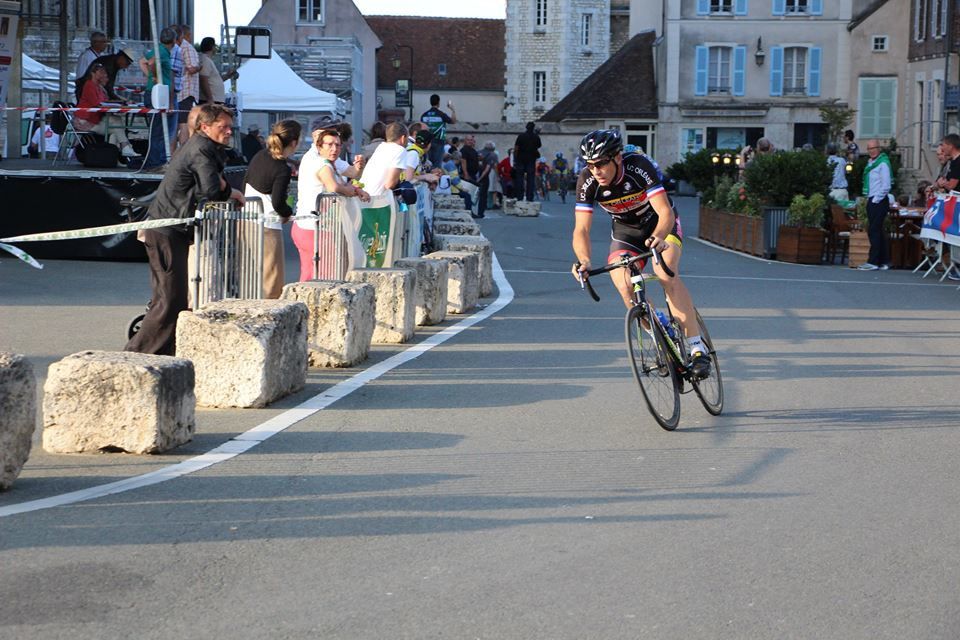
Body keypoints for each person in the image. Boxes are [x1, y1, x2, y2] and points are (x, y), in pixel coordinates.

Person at [571, 129, 711, 378]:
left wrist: (658, 238)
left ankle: (697, 348)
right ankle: (660, 330)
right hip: (626, 232)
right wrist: (583, 260)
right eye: (590, 165)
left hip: (660, 224)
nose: (596, 171)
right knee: (624, 285)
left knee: (665, 274)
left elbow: (664, 212)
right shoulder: (588, 181)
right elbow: (581, 228)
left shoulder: (638, 167)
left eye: (601, 163)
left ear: (616, 157)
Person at [125, 104, 244, 355]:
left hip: (175, 228)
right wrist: (231, 191)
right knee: (169, 300)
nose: (229, 131)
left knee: (174, 299)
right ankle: (135, 354)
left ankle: (163, 352)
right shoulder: (201, 149)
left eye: (231, 127)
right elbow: (210, 190)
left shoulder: (203, 147)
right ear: (205, 126)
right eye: (223, 127)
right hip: (167, 229)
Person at [293, 127, 370, 281]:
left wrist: (358, 170)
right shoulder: (320, 162)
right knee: (326, 276)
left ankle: (302, 304)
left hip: (307, 226)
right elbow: (333, 187)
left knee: (309, 275)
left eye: (337, 145)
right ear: (318, 145)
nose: (334, 148)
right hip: (315, 227)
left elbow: (351, 174)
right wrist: (352, 191)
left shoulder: (328, 161)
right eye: (329, 144)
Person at [244, 119, 301, 298]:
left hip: (246, 220)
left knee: (249, 275)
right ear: (294, 142)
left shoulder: (260, 155)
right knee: (271, 278)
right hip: (268, 225)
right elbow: (278, 202)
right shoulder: (281, 168)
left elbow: (246, 179)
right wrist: (287, 212)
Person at [74, 63, 139, 159]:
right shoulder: (89, 85)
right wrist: (115, 104)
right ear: (93, 73)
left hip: (95, 119)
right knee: (116, 125)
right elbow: (97, 103)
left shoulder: (99, 87)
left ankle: (113, 156)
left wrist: (120, 102)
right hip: (85, 121)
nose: (103, 75)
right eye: (100, 72)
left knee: (115, 125)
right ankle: (125, 147)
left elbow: (105, 101)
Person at [139, 27, 177, 169]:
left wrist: (150, 75)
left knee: (159, 129)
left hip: (156, 92)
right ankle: (156, 162)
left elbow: (142, 61)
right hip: (160, 94)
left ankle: (156, 160)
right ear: (173, 41)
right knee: (160, 130)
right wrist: (154, 76)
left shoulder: (158, 49)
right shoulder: (162, 52)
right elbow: (150, 62)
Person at [857, 140, 892, 271]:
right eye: (869, 148)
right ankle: (884, 261)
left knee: (874, 231)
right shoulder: (871, 163)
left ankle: (873, 261)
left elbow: (886, 185)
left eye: (874, 148)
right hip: (873, 198)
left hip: (878, 200)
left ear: (879, 148)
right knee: (878, 231)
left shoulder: (882, 164)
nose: (871, 151)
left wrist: (875, 199)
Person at [360, 121, 408, 197]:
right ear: (403, 138)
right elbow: (390, 184)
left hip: (364, 194)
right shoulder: (399, 150)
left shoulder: (381, 147)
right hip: (378, 200)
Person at [175, 25, 201, 148]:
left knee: (176, 125)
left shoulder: (176, 48)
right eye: (189, 35)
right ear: (183, 35)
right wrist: (199, 67)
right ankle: (182, 153)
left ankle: (173, 154)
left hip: (178, 91)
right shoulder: (188, 48)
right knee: (184, 123)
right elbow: (191, 69)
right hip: (186, 90)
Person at [420, 94, 457, 169]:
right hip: (439, 142)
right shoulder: (441, 114)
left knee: (428, 164)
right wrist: (453, 110)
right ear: (438, 102)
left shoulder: (424, 115)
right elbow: (453, 121)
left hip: (427, 142)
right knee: (437, 166)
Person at [198, 37, 237, 104]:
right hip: (211, 100)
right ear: (212, 47)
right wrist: (210, 99)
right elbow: (203, 79)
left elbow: (213, 80)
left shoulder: (208, 60)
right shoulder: (205, 61)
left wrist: (227, 76)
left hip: (215, 99)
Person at [514, 121, 541, 201]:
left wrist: (515, 158)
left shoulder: (521, 136)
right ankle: (530, 197)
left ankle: (519, 196)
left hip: (520, 158)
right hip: (531, 159)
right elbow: (539, 146)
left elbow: (516, 148)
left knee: (519, 178)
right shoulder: (536, 137)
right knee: (530, 179)